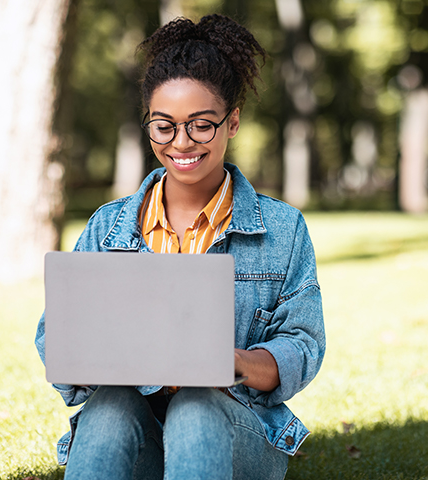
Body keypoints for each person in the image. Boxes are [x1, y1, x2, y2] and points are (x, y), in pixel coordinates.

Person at [34, 14, 325, 480]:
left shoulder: (283, 229)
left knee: (194, 403)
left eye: (201, 125)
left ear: (231, 122)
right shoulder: (107, 227)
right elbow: (56, 336)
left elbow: (302, 346)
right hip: (138, 435)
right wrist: (90, 357)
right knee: (108, 407)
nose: (182, 143)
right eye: (164, 126)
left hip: (233, 433)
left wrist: (231, 362)